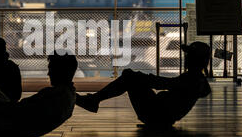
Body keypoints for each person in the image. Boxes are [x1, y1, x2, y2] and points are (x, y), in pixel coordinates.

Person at [76, 41, 212, 129]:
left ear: (195, 59)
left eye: (189, 55)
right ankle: (94, 100)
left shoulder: (192, 79)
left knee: (129, 77)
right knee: (131, 76)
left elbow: (163, 83)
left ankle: (94, 100)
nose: (186, 57)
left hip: (157, 114)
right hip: (161, 113)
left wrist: (142, 77)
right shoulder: (196, 79)